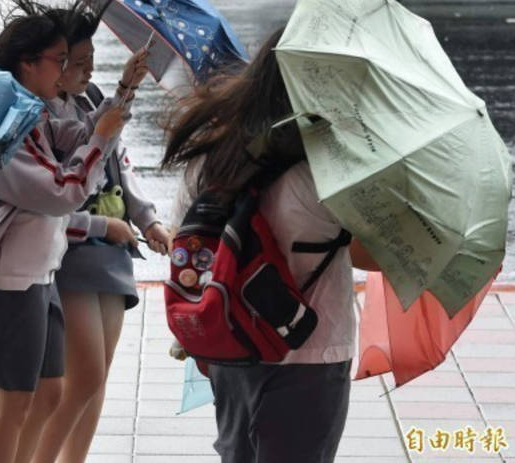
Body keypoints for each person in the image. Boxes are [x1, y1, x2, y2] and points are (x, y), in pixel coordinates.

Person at [161, 28, 379, 463]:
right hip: (310, 358)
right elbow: (372, 258)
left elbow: (179, 243)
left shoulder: (210, 157)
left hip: (233, 345)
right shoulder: (326, 172)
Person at [0, 0, 148, 463]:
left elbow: (81, 134)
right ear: (28, 64)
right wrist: (101, 136)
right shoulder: (4, 127)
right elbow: (64, 192)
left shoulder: (32, 115)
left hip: (40, 276)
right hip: (14, 281)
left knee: (52, 392)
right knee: (13, 403)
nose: (67, 71)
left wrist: (124, 89)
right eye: (60, 60)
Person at [31, 4, 171, 463]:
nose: (89, 67)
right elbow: (50, 198)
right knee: (83, 376)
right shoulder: (37, 113)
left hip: (112, 248)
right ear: (53, 60)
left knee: (98, 376)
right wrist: (103, 225)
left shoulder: (89, 97)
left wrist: (145, 219)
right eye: (78, 59)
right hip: (71, 252)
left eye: (92, 58)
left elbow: (116, 160)